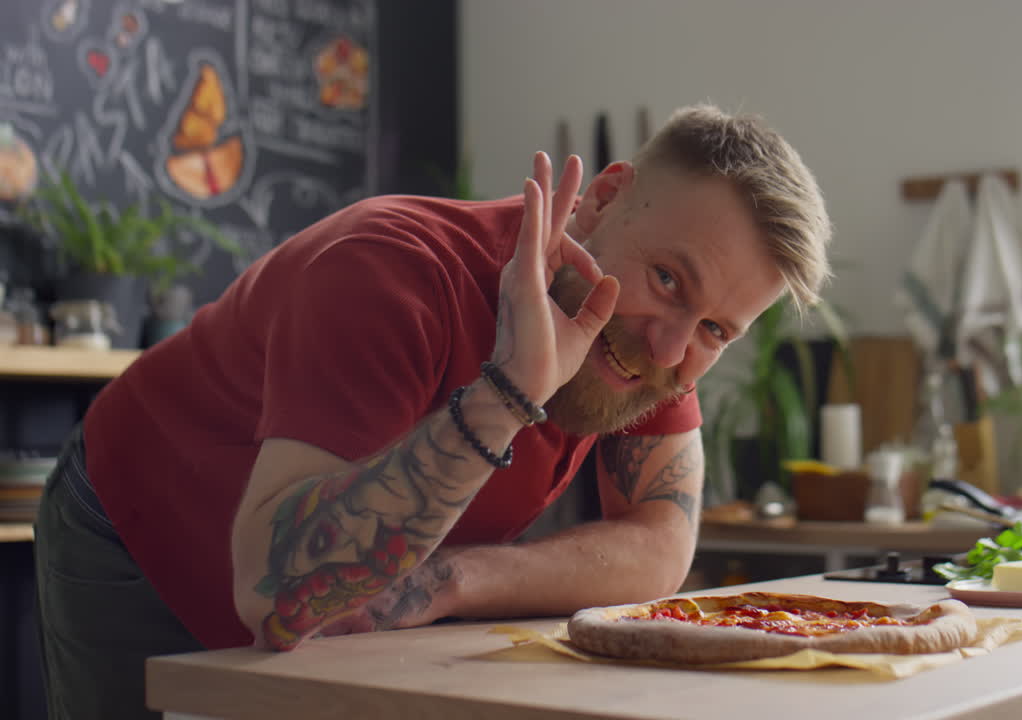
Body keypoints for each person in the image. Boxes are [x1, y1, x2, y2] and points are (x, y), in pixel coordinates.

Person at [33, 103, 832, 718]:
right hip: (136, 529)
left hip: (334, 592)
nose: (671, 353)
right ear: (603, 200)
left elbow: (661, 540)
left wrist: (455, 576)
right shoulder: (390, 273)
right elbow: (276, 598)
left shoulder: (655, 336)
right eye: (668, 279)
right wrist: (507, 396)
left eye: (718, 330)